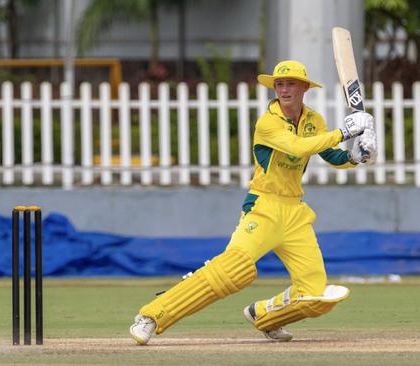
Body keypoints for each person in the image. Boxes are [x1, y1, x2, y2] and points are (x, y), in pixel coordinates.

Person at [129, 60, 378, 344]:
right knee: (232, 271)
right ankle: (151, 316)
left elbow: (331, 155)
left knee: (315, 294)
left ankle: (264, 316)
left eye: (291, 84)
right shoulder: (268, 122)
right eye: (279, 84)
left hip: (295, 213)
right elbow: (297, 147)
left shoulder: (314, 121)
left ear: (305, 88)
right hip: (264, 208)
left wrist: (356, 156)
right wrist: (344, 132)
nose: (284, 90)